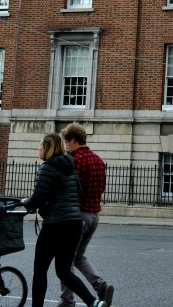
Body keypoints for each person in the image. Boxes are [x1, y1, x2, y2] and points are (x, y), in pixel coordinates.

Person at [24, 132, 107, 307]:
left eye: (40, 145)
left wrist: (26, 203)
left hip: (55, 224)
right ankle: (93, 303)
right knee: (63, 271)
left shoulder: (47, 168)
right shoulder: (69, 167)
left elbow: (37, 198)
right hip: (74, 224)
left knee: (40, 271)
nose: (37, 148)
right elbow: (78, 192)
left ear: (47, 147)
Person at [60, 122, 113, 307]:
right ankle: (100, 285)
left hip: (78, 216)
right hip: (94, 216)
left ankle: (67, 301)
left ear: (74, 140)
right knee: (79, 256)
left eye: (67, 142)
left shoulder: (76, 161)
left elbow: (71, 189)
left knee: (65, 263)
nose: (66, 147)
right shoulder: (98, 159)